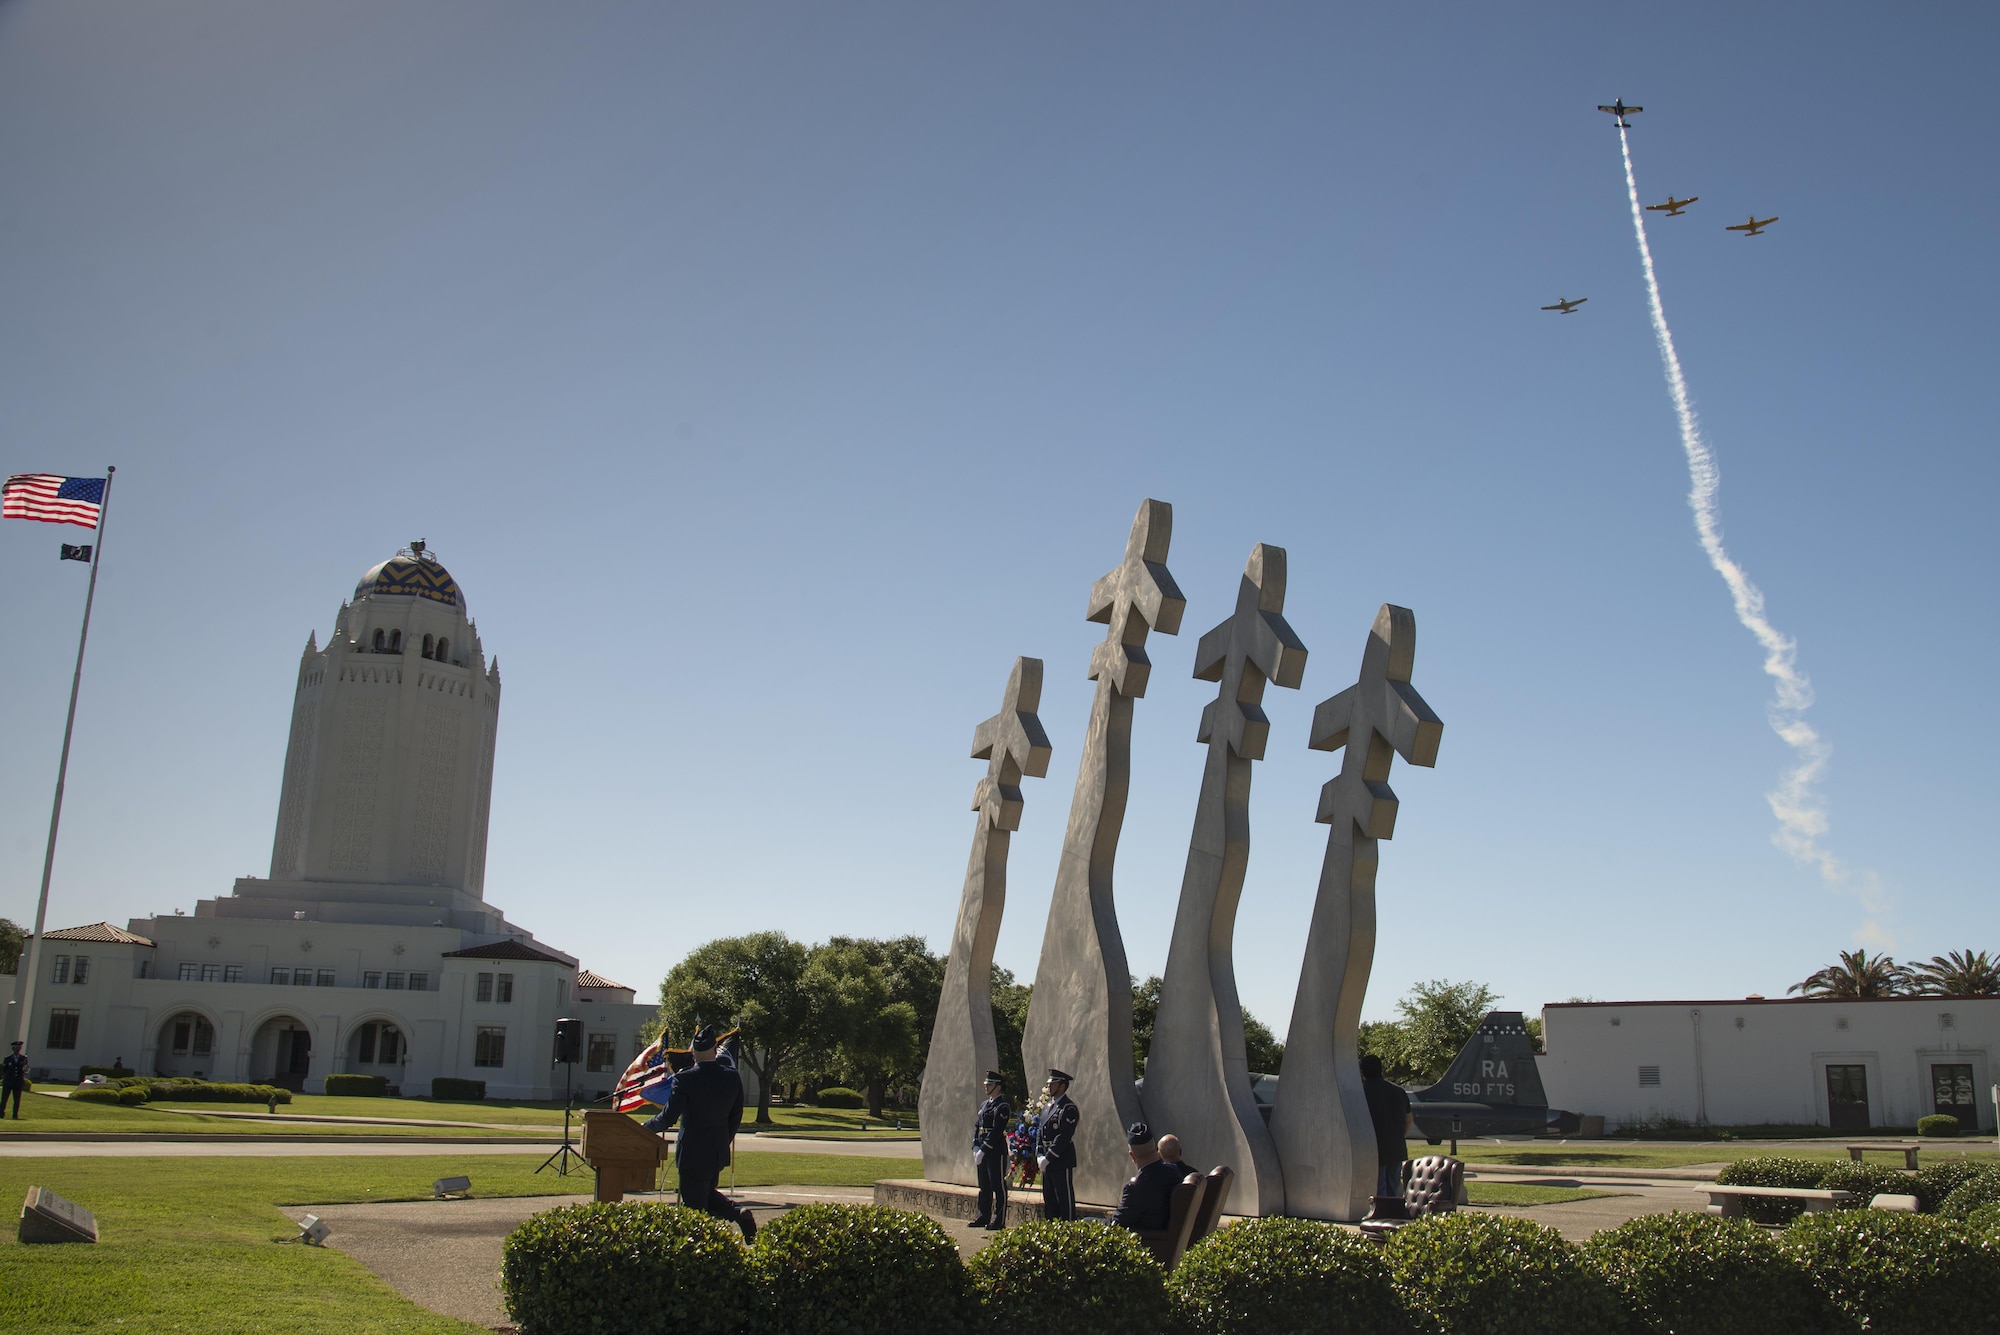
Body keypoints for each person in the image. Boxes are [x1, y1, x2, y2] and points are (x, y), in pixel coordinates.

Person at [644, 1024, 755, 1242]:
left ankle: (736, 1217)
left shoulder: (685, 1079)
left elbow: (667, 1118)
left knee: (695, 1205)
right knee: (705, 1197)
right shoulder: (732, 1077)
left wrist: (643, 1128)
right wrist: (723, 1141)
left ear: (693, 1053)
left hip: (692, 1152)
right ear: (716, 1051)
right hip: (716, 1151)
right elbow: (735, 1117)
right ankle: (729, 1225)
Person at [1108, 1122, 1185, 1233]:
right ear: (1155, 1147)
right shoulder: (1174, 1171)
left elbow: (1116, 1224)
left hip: (1149, 1241)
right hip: (1165, 1237)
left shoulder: (1135, 1188)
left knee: (1087, 1222)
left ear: (1132, 1156)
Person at [1360, 1053, 1412, 1200]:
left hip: (1373, 1147)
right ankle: (1394, 1213)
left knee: (1379, 1187)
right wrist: (1401, 1136)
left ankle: (1382, 1215)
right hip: (1396, 1146)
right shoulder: (1398, 1092)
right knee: (1393, 1186)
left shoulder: (1360, 1093)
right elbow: (1408, 1118)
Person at [969, 1070, 1013, 1230]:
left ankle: (998, 1219)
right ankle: (983, 1215)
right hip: (981, 1147)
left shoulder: (1002, 1106)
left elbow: (996, 1130)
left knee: (997, 1185)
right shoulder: (984, 1104)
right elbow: (977, 1126)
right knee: (984, 1185)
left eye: (990, 1084)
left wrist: (984, 1149)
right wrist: (975, 1145)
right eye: (986, 1083)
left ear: (998, 1087)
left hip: (994, 1150)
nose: (986, 1086)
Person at [1035, 1068, 1080, 1221]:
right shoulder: (1048, 1107)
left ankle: (1067, 1229)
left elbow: (1064, 1136)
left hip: (1060, 1159)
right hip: (1047, 1161)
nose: (1049, 1087)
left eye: (1052, 1084)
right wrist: (1039, 1154)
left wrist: (1048, 1157)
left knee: (1064, 1199)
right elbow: (1040, 1132)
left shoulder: (1068, 1108)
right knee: (1050, 1199)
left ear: (1062, 1086)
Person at [2, 1041, 27, 1119]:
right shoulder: (8, 1058)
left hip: (17, 1082)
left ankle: (15, 1115)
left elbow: (25, 1069)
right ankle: (1, 1114)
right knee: (4, 1099)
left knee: (16, 1100)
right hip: (8, 1082)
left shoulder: (24, 1058)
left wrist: (25, 1070)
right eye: (16, 1048)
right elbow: (5, 1070)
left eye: (19, 1048)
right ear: (13, 1049)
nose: (18, 1049)